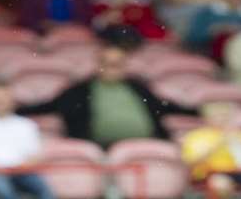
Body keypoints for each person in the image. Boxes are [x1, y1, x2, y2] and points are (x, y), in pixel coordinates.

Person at [15, 45, 196, 145]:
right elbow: (48, 106)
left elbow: (166, 106)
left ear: (125, 66)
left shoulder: (138, 87)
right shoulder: (80, 90)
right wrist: (14, 110)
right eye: (107, 63)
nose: (112, 68)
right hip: (99, 146)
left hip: (147, 141)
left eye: (118, 64)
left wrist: (201, 111)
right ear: (98, 65)